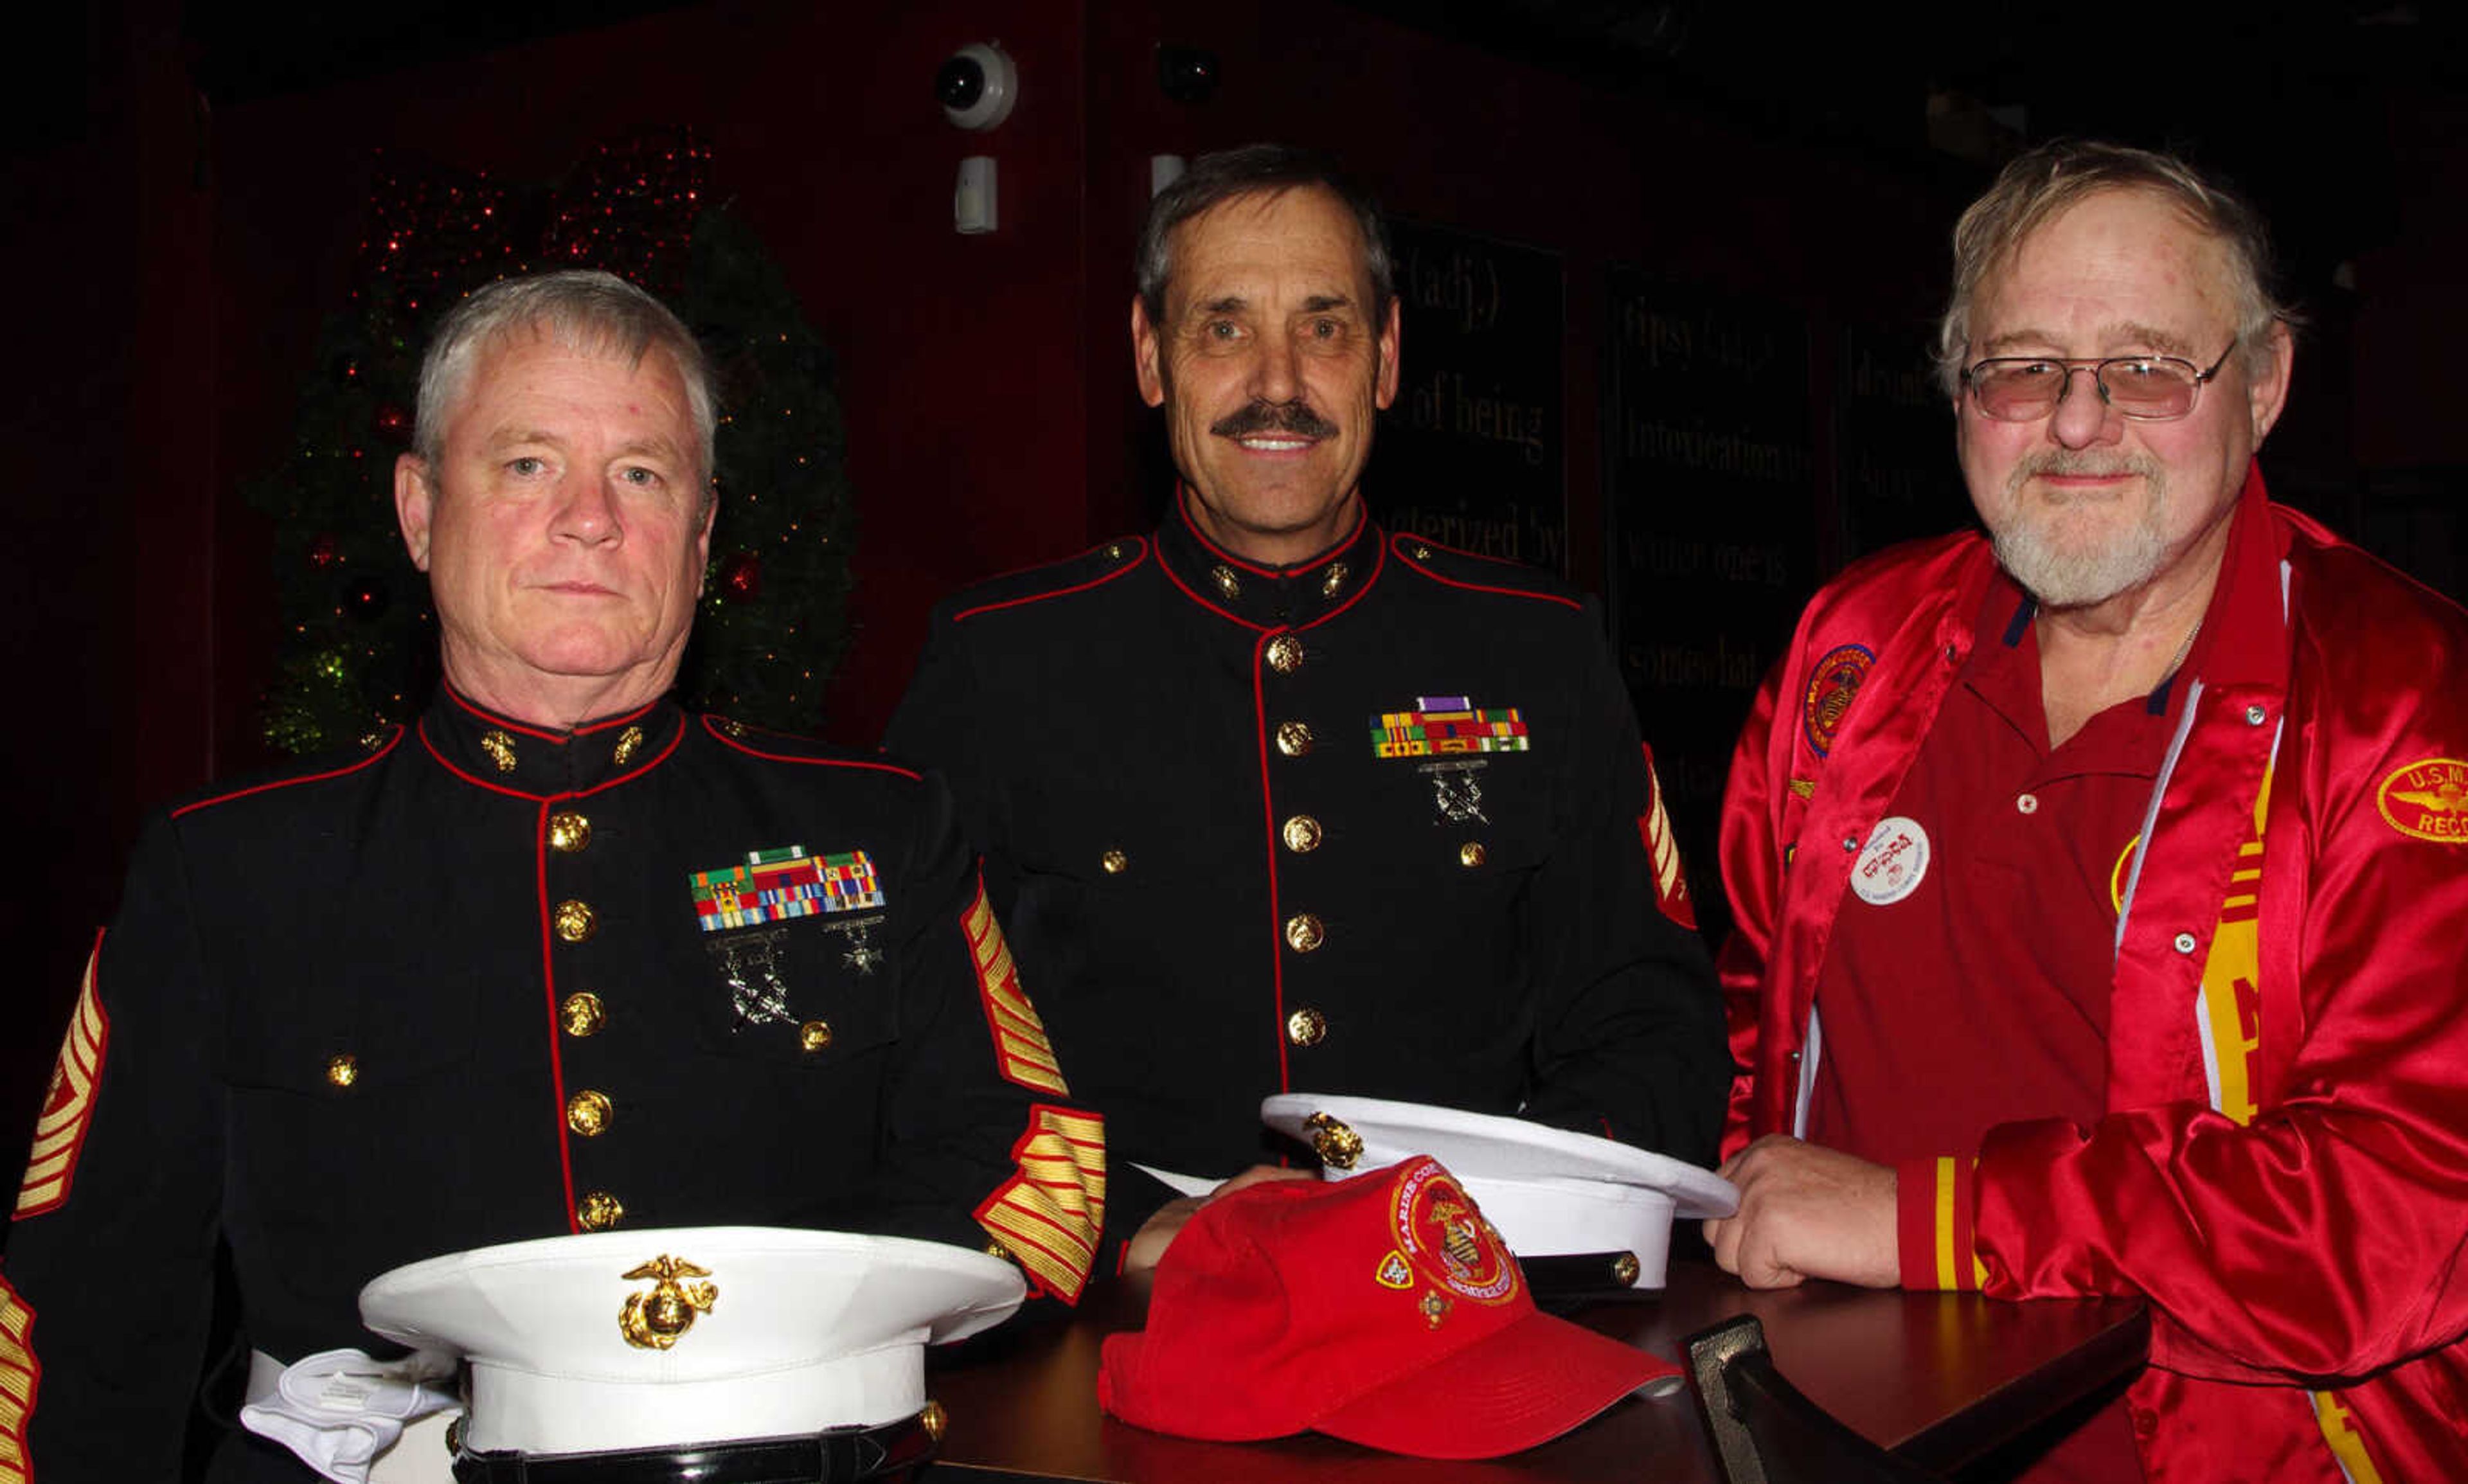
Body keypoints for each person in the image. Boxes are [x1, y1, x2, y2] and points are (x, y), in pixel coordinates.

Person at [1, 271, 1104, 1482]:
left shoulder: (879, 831)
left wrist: (770, 1338)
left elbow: (1033, 1169)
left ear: (701, 535)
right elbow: (83, 1309)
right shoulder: (231, 870)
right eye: (527, 464)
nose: (591, 517)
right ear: (420, 512)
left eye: (643, 472)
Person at [1704, 139, 2468, 1482]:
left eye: (2148, 367)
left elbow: (2406, 1207)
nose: (2074, 421)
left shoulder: (2407, 699)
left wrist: (1929, 1224)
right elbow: (1749, 1021)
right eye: (2022, 366)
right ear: (1957, 391)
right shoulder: (1855, 649)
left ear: (2268, 383)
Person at [886, 144, 1726, 1272]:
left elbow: (1654, 1028)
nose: (1276, 381)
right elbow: (912, 1042)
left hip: (1474, 1280)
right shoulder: (1001, 660)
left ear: (1385, 360)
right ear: (1150, 359)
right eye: (1223, 327)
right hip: (1129, 1298)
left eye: (1324, 327)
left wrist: (1502, 1209)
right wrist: (1128, 1224)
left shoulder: (1538, 649)